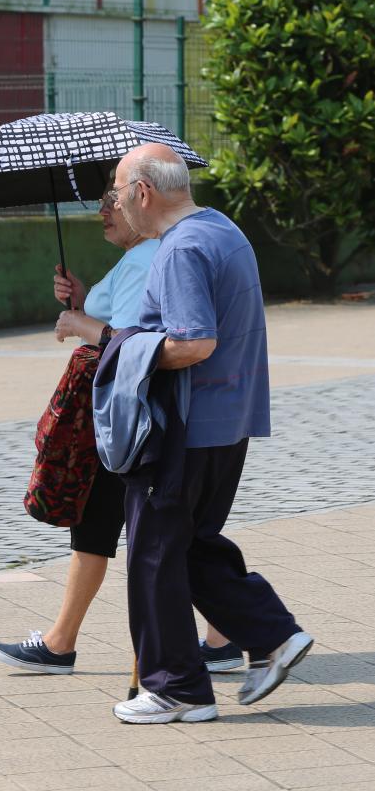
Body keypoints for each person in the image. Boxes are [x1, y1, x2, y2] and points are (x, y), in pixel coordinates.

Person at [0, 179, 242, 675]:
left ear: (141, 201)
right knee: (128, 527)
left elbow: (133, 342)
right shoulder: (142, 256)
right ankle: (215, 638)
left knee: (147, 533)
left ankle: (189, 656)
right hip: (126, 409)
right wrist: (82, 301)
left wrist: (81, 324)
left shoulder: (156, 255)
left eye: (114, 200)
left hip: (127, 413)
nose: (104, 210)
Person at [108, 143, 313, 724]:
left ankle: (177, 689)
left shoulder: (182, 248)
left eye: (119, 193)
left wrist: (126, 351)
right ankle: (274, 634)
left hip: (185, 430)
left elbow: (194, 342)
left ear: (143, 192)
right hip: (227, 423)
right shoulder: (223, 229)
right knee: (191, 546)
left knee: (154, 554)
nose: (118, 206)